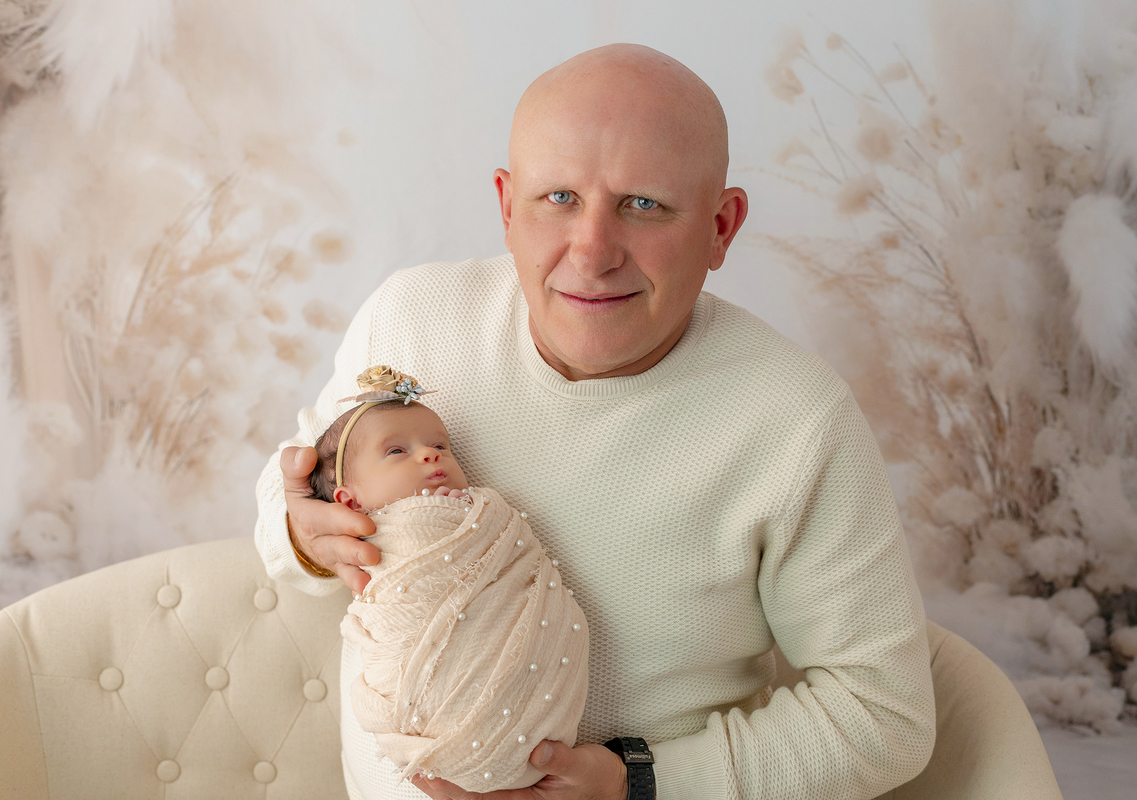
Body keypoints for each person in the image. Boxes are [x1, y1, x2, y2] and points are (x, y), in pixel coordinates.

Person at [256, 43, 935, 800]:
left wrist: (642, 786)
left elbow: (885, 715)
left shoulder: (796, 420)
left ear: (721, 226)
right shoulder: (411, 318)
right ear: (507, 205)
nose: (593, 251)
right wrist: (302, 534)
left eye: (643, 204)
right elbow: (286, 500)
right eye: (559, 199)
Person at [310, 365, 588, 792]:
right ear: (351, 501)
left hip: (552, 752)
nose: (430, 454)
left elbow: (514, 563)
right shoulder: (376, 533)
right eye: (396, 452)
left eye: (440, 444)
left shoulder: (480, 513)